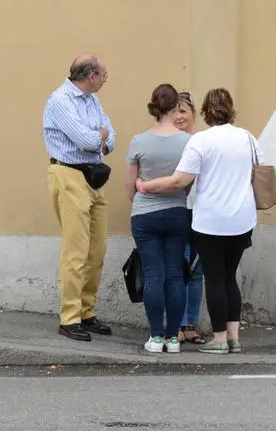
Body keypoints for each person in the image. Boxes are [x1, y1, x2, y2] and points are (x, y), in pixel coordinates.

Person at [137, 88, 256, 355]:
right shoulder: (247, 138)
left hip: (211, 219)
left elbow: (179, 180)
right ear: (231, 110)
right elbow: (257, 172)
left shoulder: (201, 141)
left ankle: (218, 338)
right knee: (229, 277)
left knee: (213, 278)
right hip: (242, 218)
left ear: (203, 112)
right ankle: (234, 339)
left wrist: (145, 187)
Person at [43, 54, 116, 342]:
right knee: (76, 250)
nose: (105, 80)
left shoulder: (91, 101)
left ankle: (87, 312)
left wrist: (100, 136)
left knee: (96, 250)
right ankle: (70, 317)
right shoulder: (60, 101)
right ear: (91, 77)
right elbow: (86, 141)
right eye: (104, 75)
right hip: (69, 174)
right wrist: (98, 136)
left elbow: (111, 138)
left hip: (93, 176)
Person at [125, 84, 192, 353]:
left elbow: (129, 186)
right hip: (177, 212)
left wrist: (144, 194)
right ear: (176, 106)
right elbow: (187, 184)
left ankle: (155, 337)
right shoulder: (188, 142)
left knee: (153, 273)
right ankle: (174, 338)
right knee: (175, 274)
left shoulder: (139, 141)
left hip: (145, 213)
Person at [173, 91, 206, 345]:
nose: (178, 116)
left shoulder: (203, 141)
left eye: (183, 110)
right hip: (175, 211)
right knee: (176, 269)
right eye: (173, 111)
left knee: (195, 272)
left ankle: (190, 323)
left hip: (200, 212)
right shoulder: (166, 141)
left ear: (193, 114)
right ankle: (175, 323)